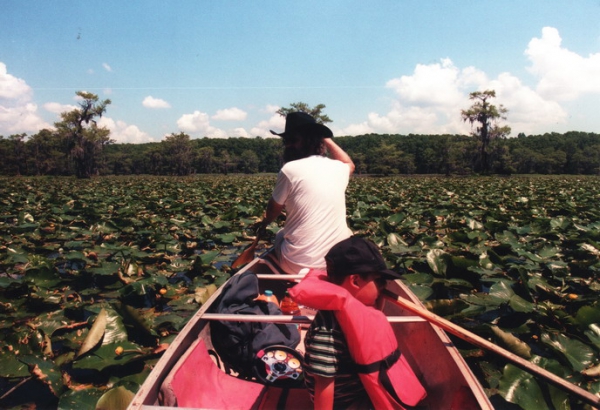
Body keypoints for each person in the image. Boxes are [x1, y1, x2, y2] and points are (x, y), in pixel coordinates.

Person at [289, 237, 427, 410]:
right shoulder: (327, 330)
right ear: (355, 281)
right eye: (379, 281)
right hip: (347, 404)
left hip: (359, 393)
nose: (384, 287)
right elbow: (323, 382)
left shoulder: (354, 312)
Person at [258, 111, 355, 275]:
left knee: (281, 234)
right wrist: (324, 138)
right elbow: (349, 163)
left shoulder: (289, 169)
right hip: (337, 264)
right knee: (349, 234)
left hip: (297, 266)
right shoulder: (339, 167)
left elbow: (273, 210)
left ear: (309, 141)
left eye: (292, 140)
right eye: (286, 141)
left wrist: (264, 223)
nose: (288, 146)